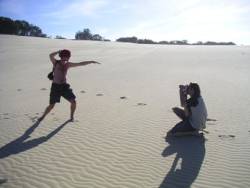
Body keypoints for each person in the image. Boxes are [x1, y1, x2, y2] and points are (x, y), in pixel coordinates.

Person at [38, 49, 100, 122]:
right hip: (55, 87)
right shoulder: (55, 62)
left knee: (73, 102)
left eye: (67, 56)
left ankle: (71, 117)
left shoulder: (68, 64)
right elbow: (50, 55)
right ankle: (43, 116)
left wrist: (91, 61)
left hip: (64, 86)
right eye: (64, 56)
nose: (66, 58)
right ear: (61, 56)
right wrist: (58, 51)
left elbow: (80, 63)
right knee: (52, 105)